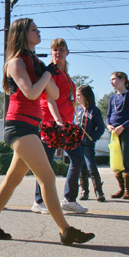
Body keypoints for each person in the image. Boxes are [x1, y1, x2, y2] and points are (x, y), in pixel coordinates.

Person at [0, 18, 95, 246]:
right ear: (23, 34)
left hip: (31, 126)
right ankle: (65, 230)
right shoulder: (15, 62)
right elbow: (32, 93)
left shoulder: (36, 63)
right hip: (18, 126)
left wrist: (47, 73)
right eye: (34, 29)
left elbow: (52, 92)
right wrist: (46, 75)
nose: (38, 31)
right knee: (48, 177)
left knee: (12, 179)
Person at [31, 38, 87, 215]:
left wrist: (70, 121)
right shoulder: (51, 72)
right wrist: (57, 120)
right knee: (45, 163)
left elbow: (68, 100)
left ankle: (69, 200)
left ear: (67, 52)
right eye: (54, 49)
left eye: (61, 49)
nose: (58, 52)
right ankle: (38, 201)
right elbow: (49, 98)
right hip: (51, 124)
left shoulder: (66, 75)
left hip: (66, 125)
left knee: (77, 158)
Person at [107, 71, 129, 199]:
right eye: (111, 80)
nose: (112, 82)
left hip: (125, 132)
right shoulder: (112, 98)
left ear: (123, 80)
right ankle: (120, 188)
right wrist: (108, 125)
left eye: (114, 79)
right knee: (116, 159)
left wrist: (122, 127)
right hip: (114, 132)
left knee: (126, 158)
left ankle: (128, 190)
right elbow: (108, 115)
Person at [75, 84, 106, 202]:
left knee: (91, 168)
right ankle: (84, 191)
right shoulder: (78, 110)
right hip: (78, 144)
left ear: (86, 96)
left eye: (79, 95)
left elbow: (101, 128)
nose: (77, 98)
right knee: (81, 168)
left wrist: (93, 138)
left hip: (88, 144)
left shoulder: (95, 110)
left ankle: (99, 192)